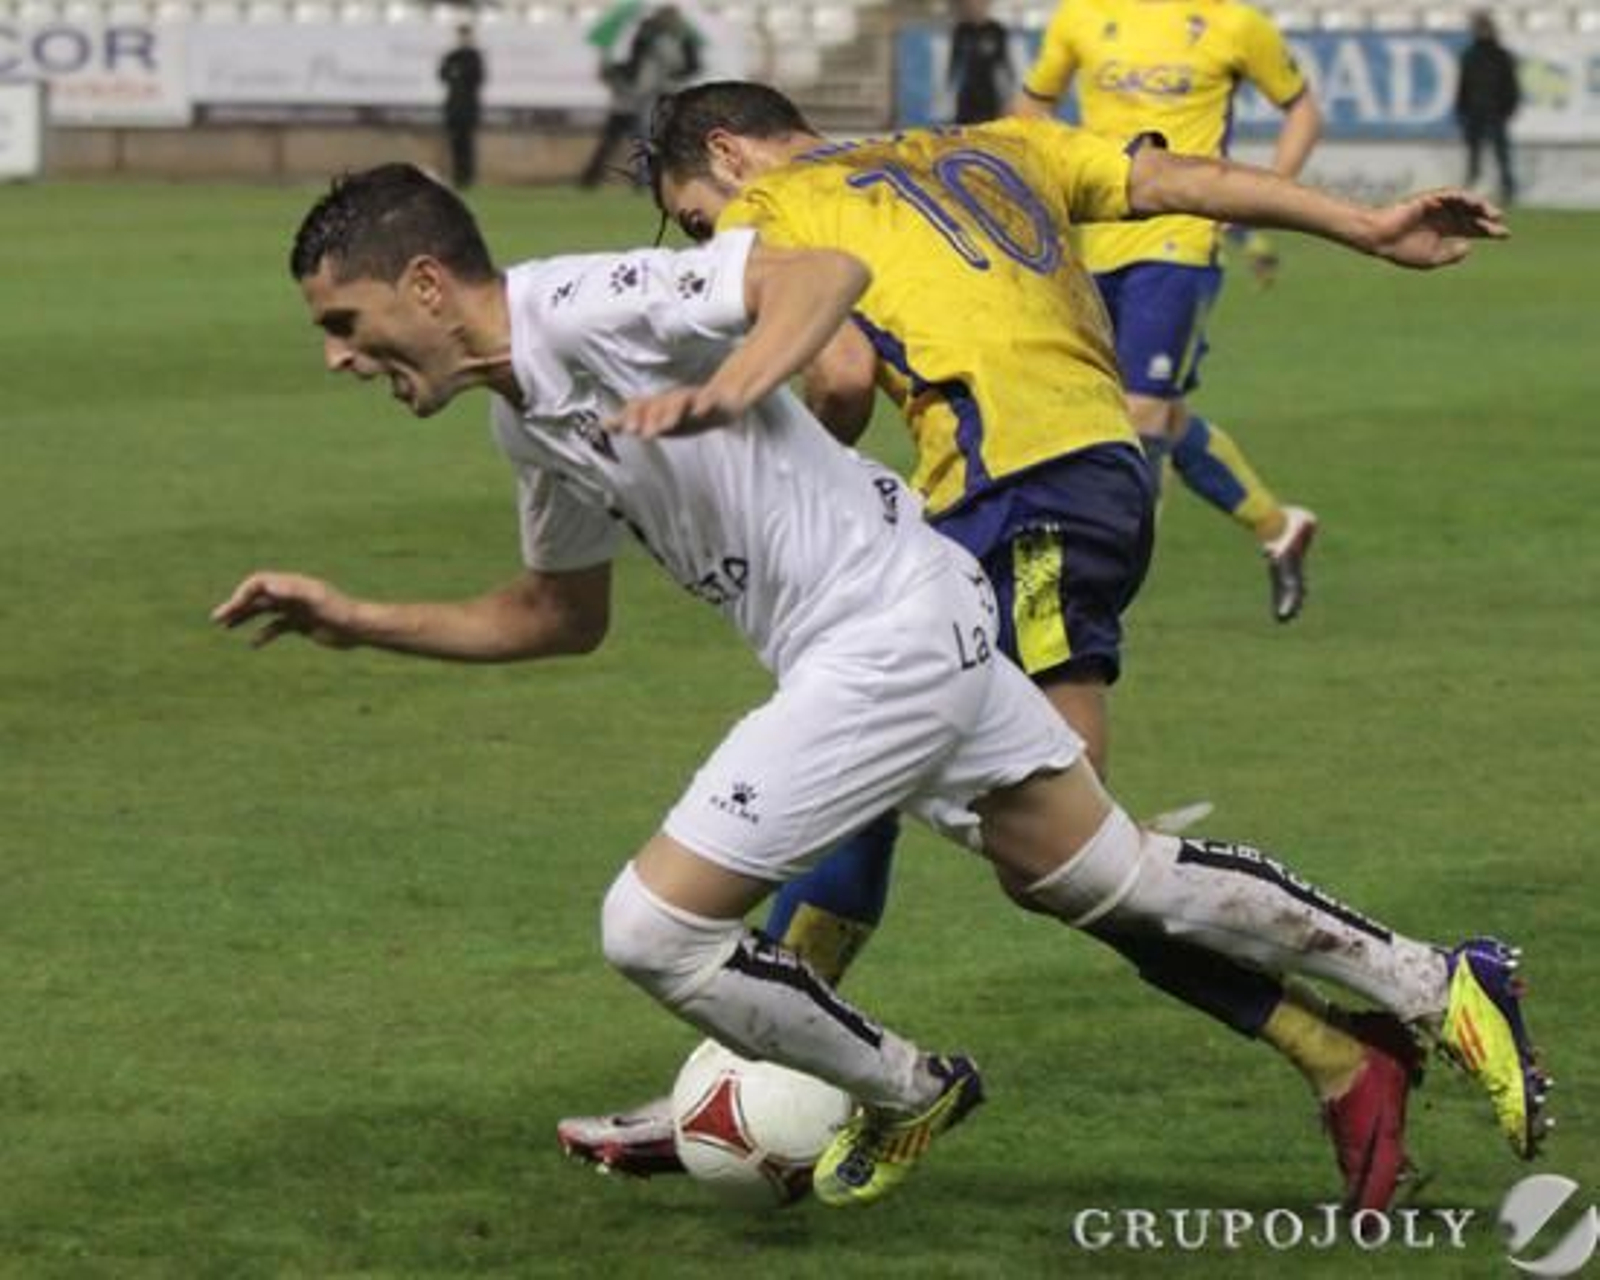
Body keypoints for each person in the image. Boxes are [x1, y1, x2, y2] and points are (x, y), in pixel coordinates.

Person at [220, 160, 1543, 1206]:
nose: (338, 355)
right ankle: (1437, 979)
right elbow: (555, 617)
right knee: (1116, 878)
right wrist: (354, 618)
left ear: (426, 283)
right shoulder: (528, 419)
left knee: (649, 928)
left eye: (345, 322)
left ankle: (909, 1090)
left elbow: (824, 273)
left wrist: (733, 382)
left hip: (882, 636)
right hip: (907, 617)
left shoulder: (585, 304)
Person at [555, 80, 1523, 1211]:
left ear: (728, 154)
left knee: (1068, 854)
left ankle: (1414, 994)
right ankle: (752, 1082)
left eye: (701, 220)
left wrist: (782, 476)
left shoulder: (780, 207)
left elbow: (843, 376)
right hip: (1092, 476)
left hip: (1011, 494)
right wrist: (1363, 224)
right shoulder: (995, 142)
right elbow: (1176, 179)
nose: (718, 247)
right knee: (925, 800)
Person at [1013, 0, 1324, 624]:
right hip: (1095, 242)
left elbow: (1302, 111)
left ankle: (1106, 594)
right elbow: (1029, 109)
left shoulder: (1231, 22)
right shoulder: (1080, 16)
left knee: (1142, 415)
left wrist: (1263, 195)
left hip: (1180, 243)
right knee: (1146, 413)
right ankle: (1278, 526)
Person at [578, 4, 702, 190]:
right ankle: (644, 178)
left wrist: (676, 74)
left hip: (660, 94)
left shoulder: (676, 40)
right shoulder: (649, 38)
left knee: (657, 140)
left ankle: (656, 178)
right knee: (645, 139)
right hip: (647, 96)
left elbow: (692, 65)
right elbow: (634, 68)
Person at [1456, 11, 1520, 206]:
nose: (1482, 31)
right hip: (1474, 113)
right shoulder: (1469, 55)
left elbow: (1511, 86)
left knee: (1502, 155)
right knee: (1474, 156)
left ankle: (1508, 190)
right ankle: (1470, 190)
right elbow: (1463, 86)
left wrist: (1507, 110)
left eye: (1484, 27)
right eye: (1479, 27)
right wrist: (1462, 110)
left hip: (1496, 113)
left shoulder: (1502, 56)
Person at [947, 0, 1014, 125]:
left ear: (987, 4)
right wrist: (948, 90)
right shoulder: (961, 30)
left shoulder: (997, 30)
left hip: (990, 92)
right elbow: (954, 62)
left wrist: (1008, 93)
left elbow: (1005, 64)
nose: (976, 6)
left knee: (990, 130)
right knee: (963, 129)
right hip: (968, 91)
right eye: (972, 3)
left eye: (980, 3)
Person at [437, 24, 486, 190]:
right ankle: (457, 177)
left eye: (466, 35)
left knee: (468, 145)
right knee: (455, 144)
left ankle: (468, 178)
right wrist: (455, 73)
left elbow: (477, 78)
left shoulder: (475, 56)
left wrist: (459, 73)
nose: (463, 39)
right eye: (461, 35)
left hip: (469, 108)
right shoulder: (451, 55)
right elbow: (442, 74)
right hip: (453, 108)